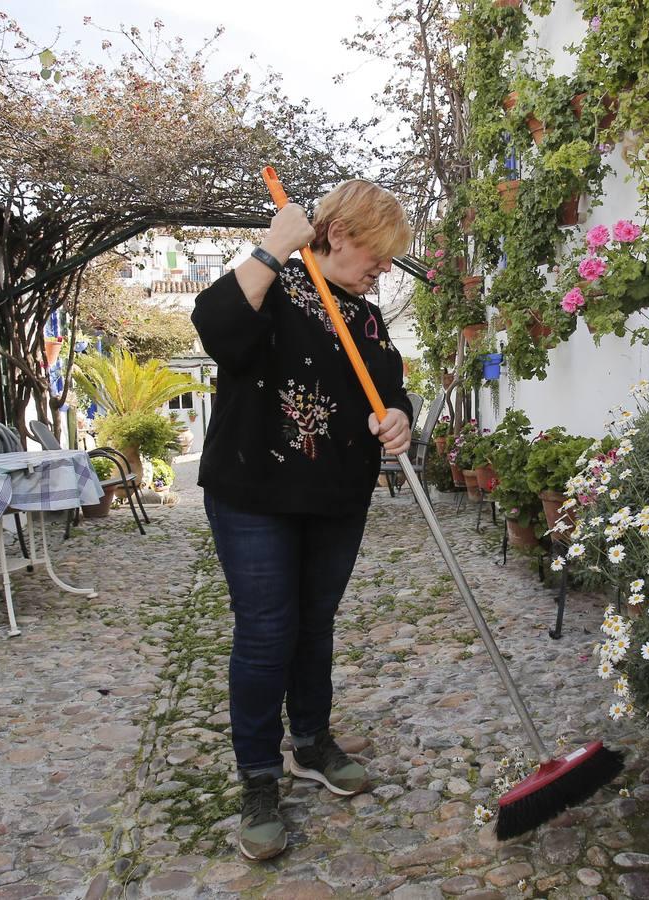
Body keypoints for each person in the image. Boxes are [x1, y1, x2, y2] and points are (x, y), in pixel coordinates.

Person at [190, 179, 413, 861]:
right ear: (339, 232)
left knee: (315, 626)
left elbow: (390, 387)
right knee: (266, 633)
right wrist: (270, 249)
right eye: (378, 252)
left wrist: (400, 416)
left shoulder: (368, 318)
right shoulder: (275, 284)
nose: (384, 268)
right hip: (254, 491)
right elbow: (217, 329)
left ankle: (310, 742)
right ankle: (258, 775)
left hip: (336, 495)